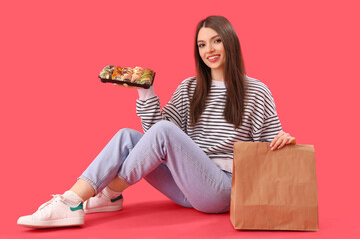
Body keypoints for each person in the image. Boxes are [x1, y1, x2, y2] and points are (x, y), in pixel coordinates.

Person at [17, 15, 296, 229]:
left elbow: (270, 140)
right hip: (184, 188)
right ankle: (93, 198)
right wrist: (145, 92)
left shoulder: (256, 90)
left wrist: (284, 140)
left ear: (229, 41)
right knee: (128, 136)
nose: (208, 49)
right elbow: (154, 139)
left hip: (223, 190)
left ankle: (88, 198)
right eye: (202, 44)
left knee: (164, 130)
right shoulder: (189, 88)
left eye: (216, 40)